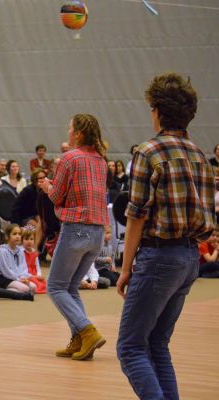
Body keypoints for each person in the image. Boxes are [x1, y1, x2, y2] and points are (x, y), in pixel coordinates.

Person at [116, 73, 216, 400]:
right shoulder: (200, 155)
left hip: (158, 256)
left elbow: (136, 215)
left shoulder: (149, 151)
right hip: (189, 259)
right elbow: (207, 220)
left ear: (157, 110)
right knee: (157, 344)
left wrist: (126, 266)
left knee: (130, 348)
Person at [39, 113, 109, 361]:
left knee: (56, 287)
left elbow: (57, 196)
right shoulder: (101, 160)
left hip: (76, 228)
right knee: (71, 288)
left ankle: (87, 331)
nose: (67, 132)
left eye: (70, 128)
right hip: (97, 232)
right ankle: (79, 339)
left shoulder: (69, 158)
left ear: (78, 133)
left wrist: (47, 187)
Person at [0, 225, 36, 295]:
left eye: (19, 234)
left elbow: (23, 267)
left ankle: (7, 290)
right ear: (7, 236)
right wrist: (18, 280)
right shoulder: (3, 251)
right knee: (25, 289)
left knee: (33, 287)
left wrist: (23, 278)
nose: (17, 236)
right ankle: (1, 290)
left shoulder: (20, 251)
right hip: (5, 278)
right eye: (14, 234)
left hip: (17, 277)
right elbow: (6, 271)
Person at [21, 227, 47, 294]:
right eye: (26, 239)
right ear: (22, 240)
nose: (29, 241)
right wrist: (34, 276)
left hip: (34, 273)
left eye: (31, 239)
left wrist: (39, 275)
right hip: (26, 274)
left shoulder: (34, 252)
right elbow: (21, 268)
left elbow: (37, 266)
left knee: (43, 282)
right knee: (34, 283)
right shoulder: (21, 252)